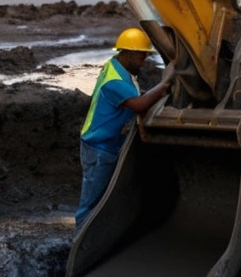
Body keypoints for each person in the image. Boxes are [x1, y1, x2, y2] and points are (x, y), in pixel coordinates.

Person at [73, 28, 173, 230]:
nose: (144, 61)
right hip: (98, 147)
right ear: (127, 53)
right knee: (91, 202)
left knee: (105, 197)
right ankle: (80, 243)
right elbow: (138, 104)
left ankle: (98, 236)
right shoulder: (115, 81)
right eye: (141, 56)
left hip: (107, 145)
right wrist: (163, 88)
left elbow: (136, 97)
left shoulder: (117, 68)